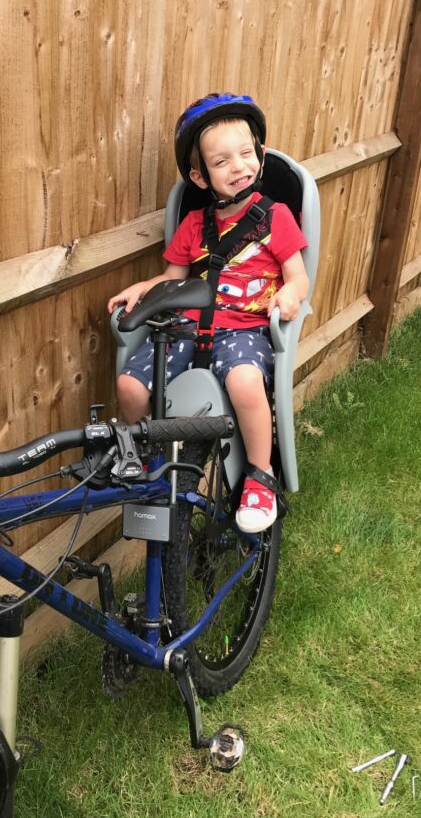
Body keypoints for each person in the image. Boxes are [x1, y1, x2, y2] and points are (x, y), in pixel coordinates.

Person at [107, 93, 309, 533]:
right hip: (187, 328)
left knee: (244, 381)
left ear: (259, 155)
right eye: (222, 162)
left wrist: (291, 295)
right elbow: (172, 276)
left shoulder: (276, 218)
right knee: (129, 386)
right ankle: (140, 458)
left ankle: (259, 474)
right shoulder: (195, 224)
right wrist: (143, 289)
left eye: (245, 154)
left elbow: (298, 276)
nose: (239, 167)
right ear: (200, 177)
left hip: (246, 330)